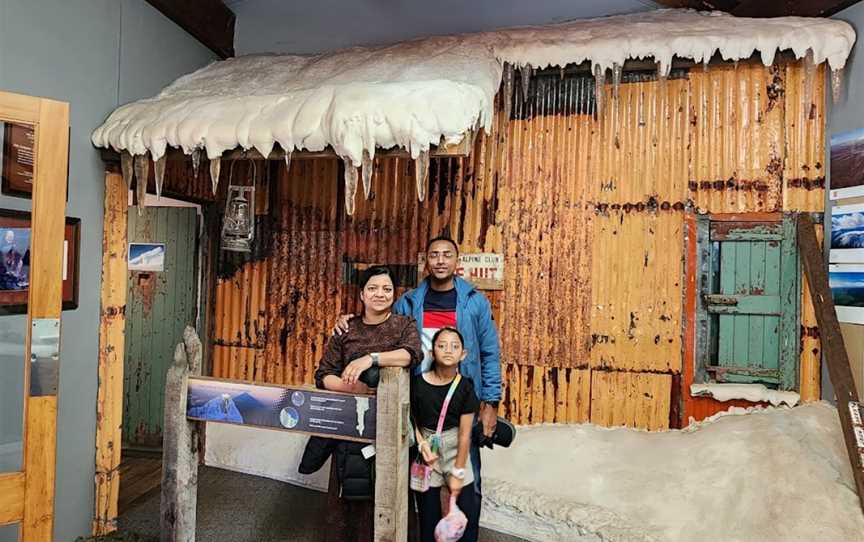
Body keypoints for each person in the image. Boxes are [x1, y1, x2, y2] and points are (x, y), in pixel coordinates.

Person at [335, 236, 502, 520]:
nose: (440, 260)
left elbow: (489, 352)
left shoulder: (475, 302)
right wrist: (349, 321)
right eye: (434, 255)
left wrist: (491, 401)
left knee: (465, 483)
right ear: (426, 261)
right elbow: (381, 327)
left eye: (446, 255)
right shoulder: (409, 302)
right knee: (423, 485)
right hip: (419, 406)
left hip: (461, 403)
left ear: (456, 261)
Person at [311, 265, 422, 541]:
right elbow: (324, 375)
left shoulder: (403, 325)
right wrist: (356, 386)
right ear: (362, 294)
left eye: (386, 289)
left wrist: (369, 359)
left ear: (394, 294)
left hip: (391, 424)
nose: (380, 294)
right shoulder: (346, 328)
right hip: (351, 425)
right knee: (346, 498)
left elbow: (410, 355)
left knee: (390, 493)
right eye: (372, 288)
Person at [412, 326, 480, 542]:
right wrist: (421, 443)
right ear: (432, 353)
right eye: (441, 346)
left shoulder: (466, 387)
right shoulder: (417, 383)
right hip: (427, 452)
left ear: (463, 354)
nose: (448, 350)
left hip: (455, 451)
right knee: (428, 518)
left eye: (454, 346)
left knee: (465, 514)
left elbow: (464, 435)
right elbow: (411, 419)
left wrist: (458, 472)